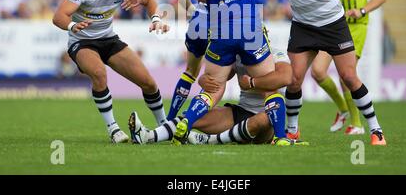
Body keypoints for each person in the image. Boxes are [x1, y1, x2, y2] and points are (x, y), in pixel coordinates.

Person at [208, 0, 386, 146]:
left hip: (332, 22)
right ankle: (291, 132)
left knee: (349, 76)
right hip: (303, 24)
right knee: (294, 80)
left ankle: (376, 130)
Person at [122, 0, 288, 146]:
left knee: (211, 86)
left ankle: (183, 122)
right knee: (270, 89)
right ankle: (281, 138)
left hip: (218, 27)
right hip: (249, 25)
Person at [52, 0, 169, 143]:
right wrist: (73, 25)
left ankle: (165, 127)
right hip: (82, 42)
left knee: (148, 82)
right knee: (99, 73)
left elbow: (150, 1)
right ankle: (113, 129)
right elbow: (58, 17)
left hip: (108, 39)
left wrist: (156, 19)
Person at [129, 47, 308, 146]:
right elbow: (214, 77)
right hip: (240, 111)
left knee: (260, 120)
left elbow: (285, 77)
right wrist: (203, 81)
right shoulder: (237, 54)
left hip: (269, 117)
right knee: (191, 117)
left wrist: (252, 82)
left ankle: (209, 140)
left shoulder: (274, 53)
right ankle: (147, 136)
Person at [167, 0, 251, 121]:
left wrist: (194, 15)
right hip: (228, 27)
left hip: (201, 23)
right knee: (218, 80)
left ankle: (170, 121)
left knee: (190, 73)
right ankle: (192, 119)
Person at [311, 0, 386, 135]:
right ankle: (343, 109)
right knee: (317, 71)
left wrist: (362, 10)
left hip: (355, 27)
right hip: (332, 27)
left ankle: (357, 124)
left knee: (347, 76)